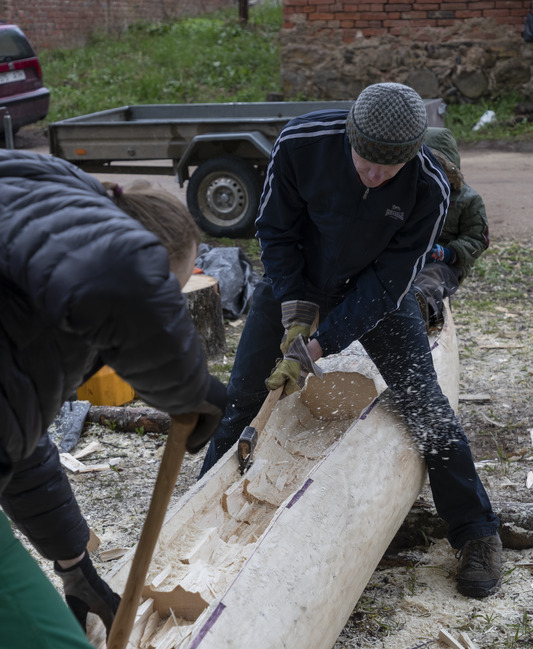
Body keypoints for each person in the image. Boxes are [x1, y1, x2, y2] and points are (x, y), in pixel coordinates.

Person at [200, 82, 502, 601]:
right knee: (244, 398)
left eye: (389, 169)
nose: (374, 175)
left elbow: (390, 281)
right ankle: (198, 515)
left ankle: (476, 532)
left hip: (376, 288)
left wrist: (321, 344)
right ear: (350, 135)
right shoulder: (301, 142)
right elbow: (274, 230)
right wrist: (296, 315)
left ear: (411, 155)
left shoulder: (430, 186)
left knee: (425, 406)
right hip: (297, 276)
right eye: (366, 162)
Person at [0, 149, 226, 649]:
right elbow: (117, 274)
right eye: (170, 294)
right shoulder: (95, 244)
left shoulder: (26, 232)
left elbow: (15, 436)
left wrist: (74, 562)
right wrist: (186, 389)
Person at [414, 126, 490, 328]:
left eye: (437, 168)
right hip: (411, 253)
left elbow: (477, 240)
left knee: (430, 279)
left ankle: (423, 310)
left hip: (447, 263)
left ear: (450, 170)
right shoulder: (411, 192)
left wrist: (447, 253)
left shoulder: (468, 199)